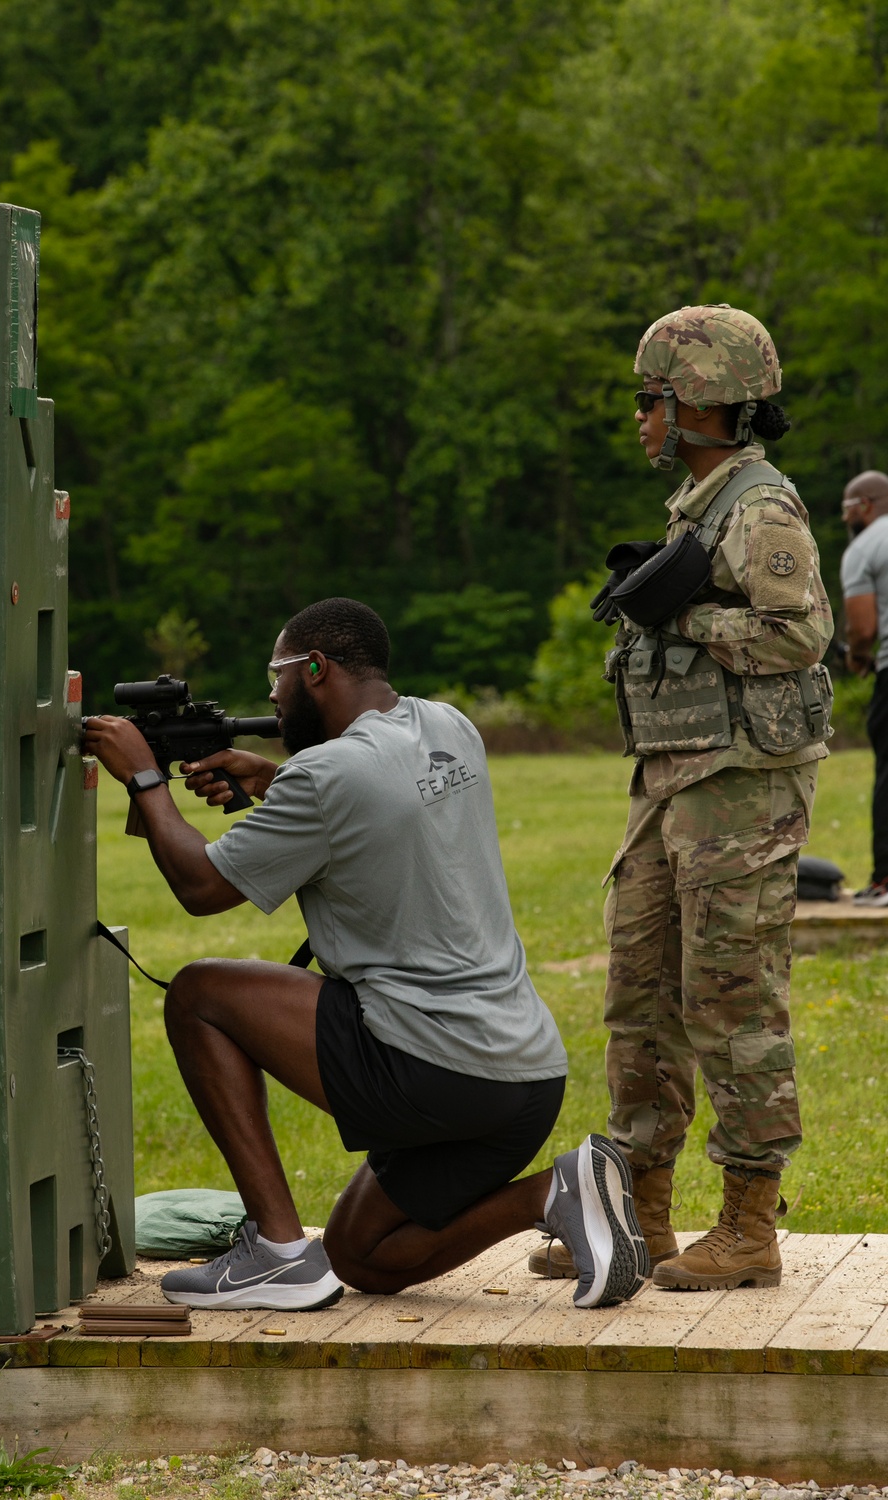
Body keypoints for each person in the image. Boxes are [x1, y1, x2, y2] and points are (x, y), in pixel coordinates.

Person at [84, 597, 648, 1312]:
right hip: (525, 1078)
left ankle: (279, 1254)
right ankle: (555, 1191)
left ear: (314, 669)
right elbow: (378, 807)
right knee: (364, 1255)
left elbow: (200, 885)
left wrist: (144, 777)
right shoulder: (448, 725)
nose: (270, 693)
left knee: (198, 995)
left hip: (435, 1066)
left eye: (276, 674)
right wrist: (270, 782)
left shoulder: (322, 780)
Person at [528, 304, 833, 1291]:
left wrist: (690, 617)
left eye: (646, 400)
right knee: (642, 991)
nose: (638, 420)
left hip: (737, 792)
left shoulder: (759, 511)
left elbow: (798, 639)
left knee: (730, 996)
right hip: (675, 781)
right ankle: (644, 1215)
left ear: (695, 405)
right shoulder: (702, 504)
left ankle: (748, 1230)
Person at [840, 470, 888, 905]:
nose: (844, 519)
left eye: (847, 509)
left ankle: (885, 882)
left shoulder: (866, 547)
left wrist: (857, 656)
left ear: (867, 505)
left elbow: (863, 627)